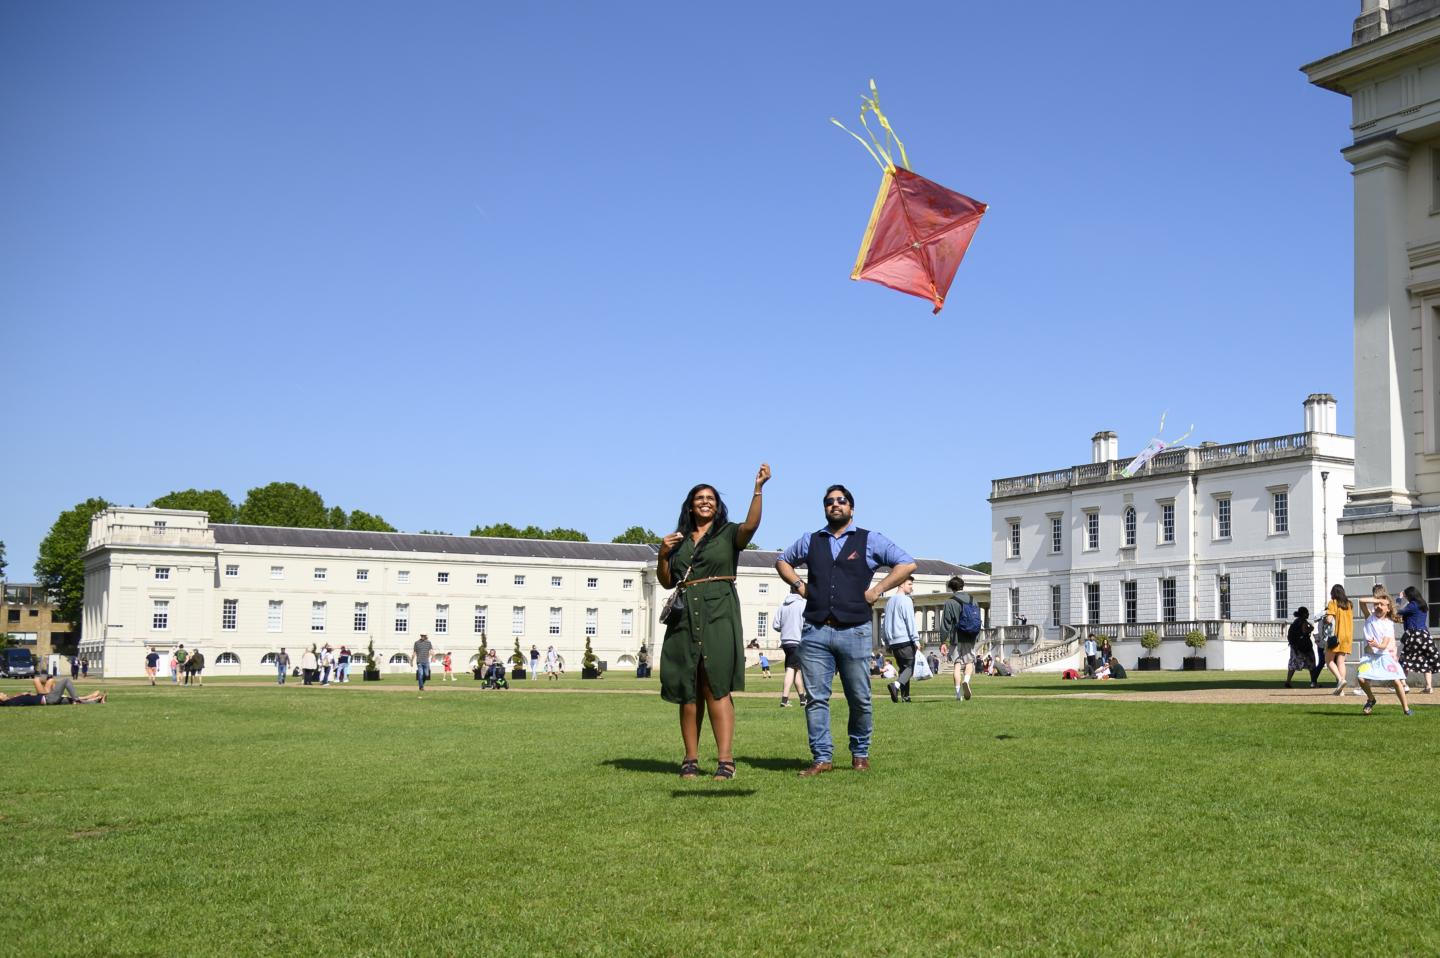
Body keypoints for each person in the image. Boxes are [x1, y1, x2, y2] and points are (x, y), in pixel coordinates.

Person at [776, 483, 916, 777]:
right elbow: (781, 561)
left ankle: (860, 753)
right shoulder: (811, 540)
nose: (835, 505)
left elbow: (906, 563)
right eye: (829, 502)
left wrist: (878, 589)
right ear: (825, 508)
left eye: (841, 501)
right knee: (815, 698)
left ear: (851, 508)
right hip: (815, 630)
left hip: (855, 630)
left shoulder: (869, 540)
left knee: (860, 697)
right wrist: (800, 586)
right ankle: (822, 757)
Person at [658, 465, 770, 782]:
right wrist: (662, 555)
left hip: (719, 610)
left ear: (717, 506)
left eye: (710, 498)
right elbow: (667, 582)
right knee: (689, 687)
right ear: (690, 506)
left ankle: (725, 760)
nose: (705, 502)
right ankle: (690, 759)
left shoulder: (728, 534)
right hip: (684, 615)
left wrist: (758, 489)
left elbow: (752, 525)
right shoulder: (678, 541)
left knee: (716, 684)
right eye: (699, 499)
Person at [1357, 591, 1413, 716]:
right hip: (1370, 657)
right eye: (1376, 604)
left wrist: (1377, 645)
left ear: (1388, 609)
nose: (1378, 606)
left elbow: (1384, 645)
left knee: (1397, 681)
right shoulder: (1369, 617)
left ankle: (1406, 709)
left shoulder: (1388, 624)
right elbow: (1361, 601)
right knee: (1361, 679)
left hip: (1384, 656)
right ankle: (1371, 699)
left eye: (1382, 605)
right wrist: (1379, 601)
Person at [942, 577, 983, 702]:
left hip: (956, 637)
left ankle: (958, 694)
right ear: (962, 586)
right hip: (970, 636)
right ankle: (967, 680)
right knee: (969, 662)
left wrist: (943, 641)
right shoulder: (973, 600)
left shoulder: (949, 602)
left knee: (957, 665)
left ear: (951, 587)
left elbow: (946, 623)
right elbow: (977, 620)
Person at [883, 575, 920, 704]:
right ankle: (896, 686)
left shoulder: (889, 601)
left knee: (903, 669)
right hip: (905, 640)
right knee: (910, 668)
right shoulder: (906, 600)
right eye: (909, 584)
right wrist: (916, 639)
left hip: (893, 642)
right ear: (901, 584)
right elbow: (910, 621)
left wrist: (886, 641)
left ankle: (905, 696)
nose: (911, 587)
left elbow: (885, 623)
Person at [772, 580, 808, 709]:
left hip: (786, 642)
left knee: (796, 669)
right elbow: (807, 623)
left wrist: (786, 627)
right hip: (797, 641)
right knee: (791, 669)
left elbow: (776, 625)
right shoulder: (804, 604)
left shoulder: (783, 605)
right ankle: (784, 699)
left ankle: (803, 699)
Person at [1397, 586, 1438, 694]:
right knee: (1425, 660)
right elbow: (1413, 618)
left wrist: (1399, 599)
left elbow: (1398, 611)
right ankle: (1429, 686)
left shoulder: (1412, 605)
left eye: (1406, 595)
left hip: (1414, 635)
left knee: (1403, 659)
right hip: (1425, 635)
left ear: (1410, 595)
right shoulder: (1423, 604)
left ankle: (1404, 685)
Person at [1323, 585, 1354, 695]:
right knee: (1341, 662)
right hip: (1347, 636)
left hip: (1336, 636)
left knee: (1329, 660)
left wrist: (1325, 617)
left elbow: (1329, 618)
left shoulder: (1333, 602)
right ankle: (1341, 690)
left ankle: (1340, 680)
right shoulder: (1349, 604)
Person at [0, 675, 106, 706]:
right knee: (66, 680)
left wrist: (25, 694)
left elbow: (19, 697)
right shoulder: (8, 703)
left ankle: (98, 700)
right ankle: (77, 700)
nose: (3, 693)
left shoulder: (11, 700)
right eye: (1, 694)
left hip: (50, 700)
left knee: (69, 701)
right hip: (48, 699)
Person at [1285, 608, 1323, 688]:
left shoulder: (1296, 622)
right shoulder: (1303, 622)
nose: (1308, 614)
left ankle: (1288, 681)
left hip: (1295, 646)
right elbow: (1305, 631)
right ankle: (1313, 682)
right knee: (1312, 664)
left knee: (1293, 664)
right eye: (1307, 613)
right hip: (1304, 647)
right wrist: (1311, 629)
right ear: (1303, 614)